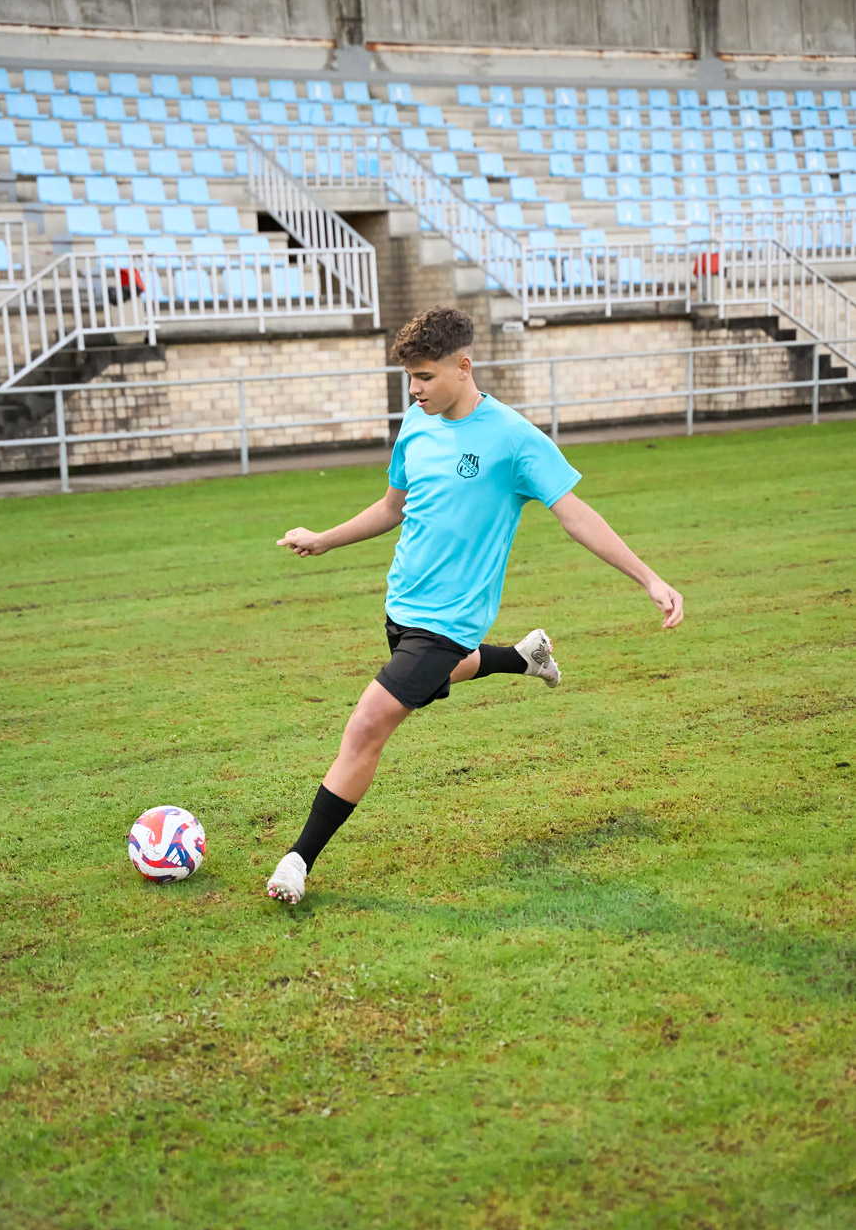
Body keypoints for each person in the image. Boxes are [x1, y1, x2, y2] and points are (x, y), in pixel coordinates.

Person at [267, 306, 683, 904]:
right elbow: (392, 507)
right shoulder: (416, 423)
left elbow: (576, 516)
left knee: (367, 725)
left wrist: (649, 578)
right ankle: (524, 657)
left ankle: (297, 861)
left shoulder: (514, 439)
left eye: (426, 376)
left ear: (463, 367)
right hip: (403, 605)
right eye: (409, 378)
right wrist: (325, 539)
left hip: (452, 619)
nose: (415, 390)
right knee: (439, 673)